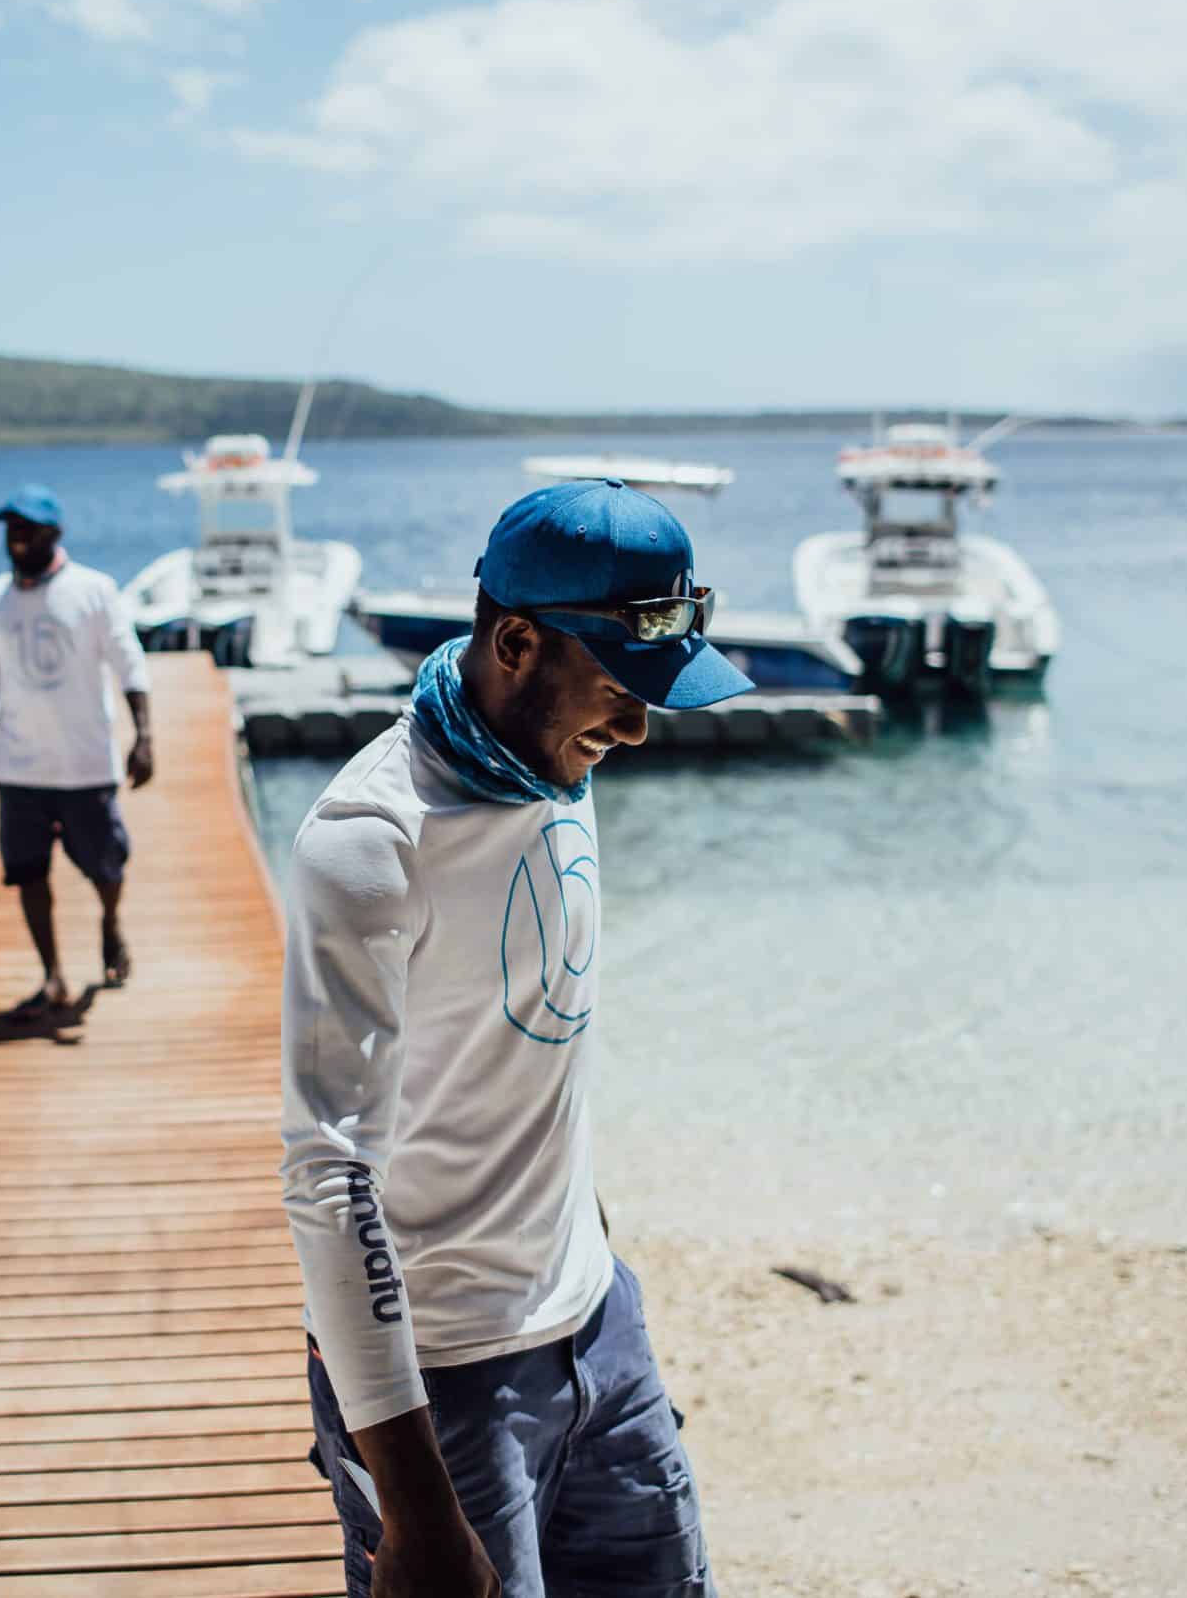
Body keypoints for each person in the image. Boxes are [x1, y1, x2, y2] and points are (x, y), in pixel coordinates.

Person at [280, 479, 748, 1597]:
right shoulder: (368, 839)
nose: (633, 728)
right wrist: (413, 1501)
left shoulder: (552, 758)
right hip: (441, 1386)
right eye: (619, 691)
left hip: (598, 1327)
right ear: (517, 640)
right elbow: (326, 1172)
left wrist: (598, 1271)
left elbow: (535, 1048)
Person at [0, 485, 154, 1020]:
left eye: (28, 527)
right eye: (10, 527)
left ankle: (110, 925)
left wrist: (144, 736)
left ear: (54, 533)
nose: (16, 537)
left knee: (107, 867)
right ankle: (54, 976)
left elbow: (129, 663)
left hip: (86, 765)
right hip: (19, 769)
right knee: (27, 873)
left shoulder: (94, 590)